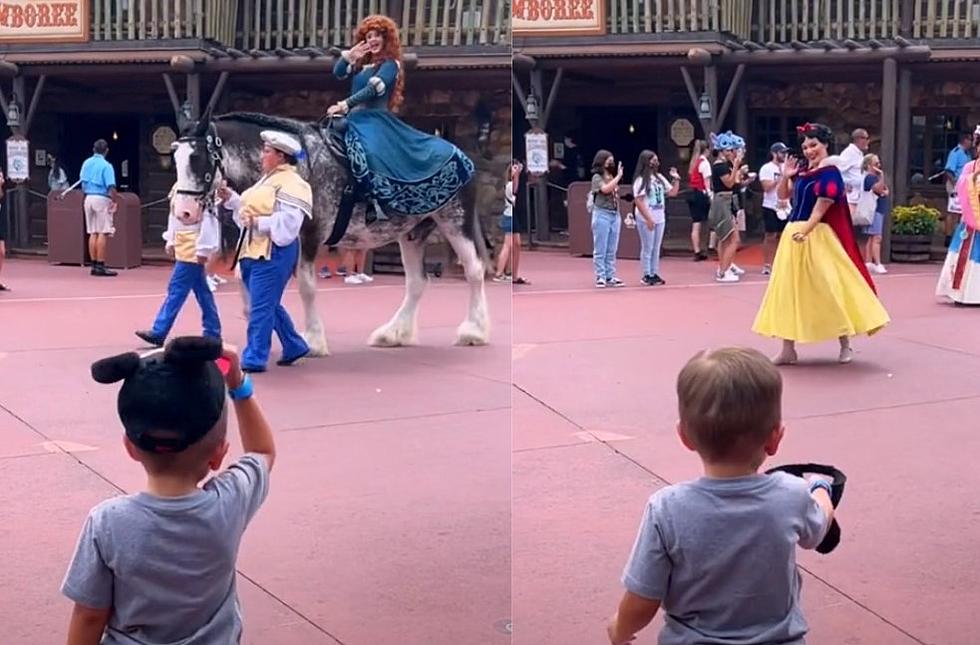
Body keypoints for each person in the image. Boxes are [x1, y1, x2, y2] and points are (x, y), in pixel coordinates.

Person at [607, 347, 834, 645]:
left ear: (684, 436)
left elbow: (642, 598)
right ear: (775, 438)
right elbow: (817, 530)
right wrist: (821, 489)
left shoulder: (667, 508)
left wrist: (620, 629)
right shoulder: (791, 494)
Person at [62, 337, 274, 645]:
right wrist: (238, 385)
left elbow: (90, 614)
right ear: (218, 454)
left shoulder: (107, 521)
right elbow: (262, 451)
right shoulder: (230, 503)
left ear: (130, 447)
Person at [752, 122, 890, 365]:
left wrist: (806, 230)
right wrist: (785, 176)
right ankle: (788, 348)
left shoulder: (830, 172)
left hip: (817, 236)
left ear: (825, 144)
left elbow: (822, 205)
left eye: (813, 145)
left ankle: (845, 343)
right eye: (805, 146)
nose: (808, 150)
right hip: (794, 236)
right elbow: (783, 197)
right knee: (788, 291)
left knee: (830, 288)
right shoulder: (804, 172)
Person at [325, 15, 474, 220]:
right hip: (353, 119)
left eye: (377, 35)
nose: (372, 40)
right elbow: (338, 73)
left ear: (386, 39)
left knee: (371, 152)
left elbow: (372, 90)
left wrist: (345, 104)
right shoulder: (361, 66)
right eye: (368, 36)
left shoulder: (390, 65)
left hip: (375, 120)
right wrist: (349, 56)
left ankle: (377, 202)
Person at [217, 130, 312, 373]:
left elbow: (291, 223)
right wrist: (231, 199)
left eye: (267, 151)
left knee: (260, 307)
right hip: (253, 251)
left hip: (274, 253)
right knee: (268, 304)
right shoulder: (267, 180)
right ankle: (294, 345)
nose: (262, 156)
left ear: (281, 156)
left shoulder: (294, 184)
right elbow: (247, 213)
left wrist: (260, 222)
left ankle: (255, 356)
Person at [134, 183, 222, 347]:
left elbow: (210, 220)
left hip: (193, 246)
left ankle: (159, 330)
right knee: (202, 292)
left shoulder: (204, 188)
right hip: (184, 245)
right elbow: (173, 215)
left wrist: (204, 248)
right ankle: (212, 330)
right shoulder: (179, 187)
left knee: (177, 289)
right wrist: (171, 239)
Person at [936, 125, 980, 305]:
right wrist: (973, 179)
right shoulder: (970, 166)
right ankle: (962, 294)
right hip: (972, 219)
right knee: (965, 252)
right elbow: (962, 185)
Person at [632, 150, 680, 286]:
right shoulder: (641, 180)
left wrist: (676, 178)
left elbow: (672, 192)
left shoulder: (659, 177)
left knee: (656, 247)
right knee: (648, 246)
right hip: (647, 216)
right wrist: (648, 218)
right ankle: (646, 273)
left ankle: (654, 272)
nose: (656, 162)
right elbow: (639, 200)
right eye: (653, 160)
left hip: (660, 216)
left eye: (656, 160)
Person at [708, 131, 748, 283]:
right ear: (721, 151)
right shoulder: (720, 166)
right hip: (722, 200)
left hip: (727, 200)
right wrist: (737, 166)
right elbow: (730, 183)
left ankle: (723, 268)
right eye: (728, 150)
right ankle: (724, 270)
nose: (731, 152)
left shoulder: (724, 165)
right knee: (732, 239)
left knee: (726, 238)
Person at [80, 139, 120, 277]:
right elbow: (111, 186)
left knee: (92, 232)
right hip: (101, 198)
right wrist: (114, 201)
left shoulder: (86, 163)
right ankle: (101, 265)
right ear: (106, 150)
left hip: (88, 197)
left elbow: (83, 184)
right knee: (103, 231)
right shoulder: (106, 166)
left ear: (93, 149)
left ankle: (94, 264)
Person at [590, 150, 624, 288]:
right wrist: (619, 176)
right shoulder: (597, 177)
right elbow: (605, 189)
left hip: (614, 214)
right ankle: (601, 275)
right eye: (609, 160)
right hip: (601, 213)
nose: (611, 163)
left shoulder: (611, 176)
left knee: (612, 247)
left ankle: (610, 275)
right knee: (600, 247)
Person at [760, 142, 790, 275]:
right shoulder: (767, 168)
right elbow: (766, 187)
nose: (784, 155)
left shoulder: (787, 167)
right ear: (774, 153)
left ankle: (782, 262)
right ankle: (767, 264)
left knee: (785, 235)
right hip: (770, 205)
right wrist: (781, 178)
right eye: (781, 153)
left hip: (785, 205)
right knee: (770, 235)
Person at [860, 154, 890, 275]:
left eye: (879, 163)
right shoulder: (870, 178)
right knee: (876, 237)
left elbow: (885, 191)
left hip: (878, 209)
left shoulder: (874, 178)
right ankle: (877, 263)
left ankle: (869, 262)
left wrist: (884, 190)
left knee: (872, 237)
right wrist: (882, 175)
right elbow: (879, 189)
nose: (879, 166)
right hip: (874, 209)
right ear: (869, 165)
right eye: (876, 164)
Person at [944, 132, 975, 246]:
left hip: (965, 186)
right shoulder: (955, 153)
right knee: (953, 212)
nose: (971, 143)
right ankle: (948, 237)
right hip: (955, 186)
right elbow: (948, 170)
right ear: (964, 140)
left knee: (961, 212)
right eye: (970, 140)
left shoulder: (967, 154)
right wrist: (956, 185)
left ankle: (958, 236)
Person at [686, 140, 712, 261]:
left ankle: (696, 250)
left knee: (695, 223)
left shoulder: (694, 162)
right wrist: (710, 195)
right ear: (707, 150)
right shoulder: (705, 163)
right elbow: (707, 183)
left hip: (692, 193)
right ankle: (705, 247)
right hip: (701, 194)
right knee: (705, 222)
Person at [837, 128, 870, 217]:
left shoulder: (859, 154)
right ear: (859, 139)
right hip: (850, 199)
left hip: (858, 198)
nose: (868, 141)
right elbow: (837, 170)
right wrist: (843, 184)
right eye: (866, 138)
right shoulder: (849, 153)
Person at [494, 162, 518, 282]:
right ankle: (499, 273)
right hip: (509, 216)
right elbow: (514, 191)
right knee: (507, 245)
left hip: (511, 216)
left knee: (513, 245)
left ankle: (508, 272)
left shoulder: (511, 184)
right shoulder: (509, 185)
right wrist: (516, 175)